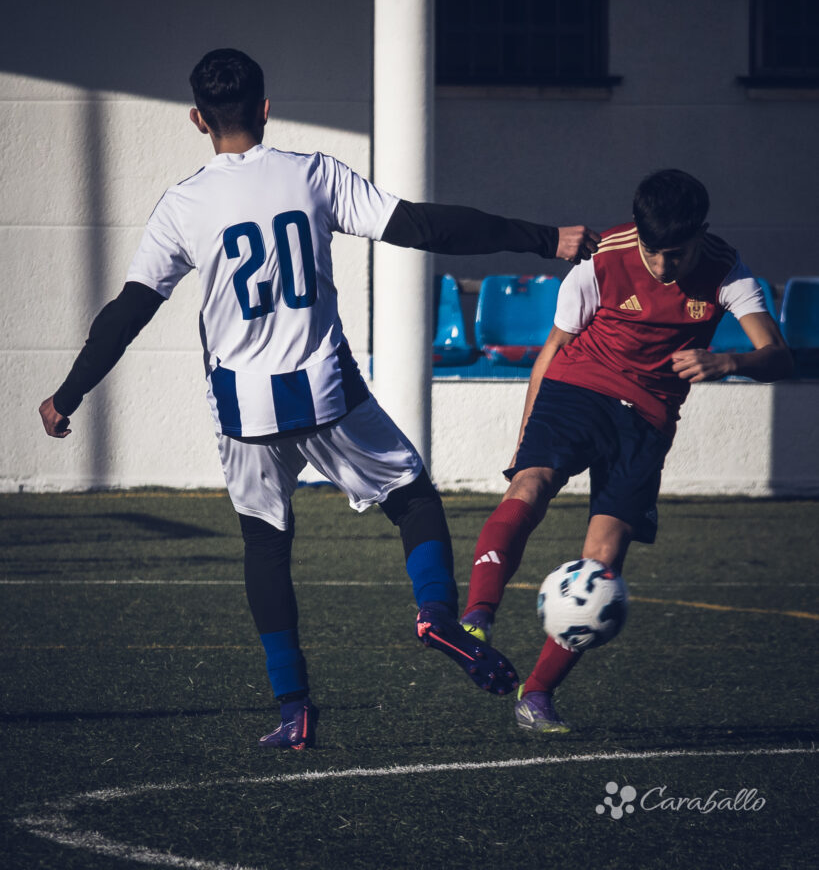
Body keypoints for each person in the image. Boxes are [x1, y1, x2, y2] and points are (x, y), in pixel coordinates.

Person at [39, 47, 600, 751]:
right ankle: (434, 615)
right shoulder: (312, 174)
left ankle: (294, 710)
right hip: (324, 391)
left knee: (265, 544)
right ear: (265, 108)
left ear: (197, 120)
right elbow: (425, 227)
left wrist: (68, 394)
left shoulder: (183, 204)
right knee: (412, 500)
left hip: (243, 408)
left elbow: (129, 310)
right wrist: (544, 240)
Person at [460, 168, 794, 735]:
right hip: (578, 386)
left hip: (648, 419)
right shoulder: (600, 260)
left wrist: (729, 361)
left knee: (605, 558)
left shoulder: (727, 270)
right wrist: (524, 441)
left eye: (676, 254)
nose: (663, 265)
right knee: (530, 485)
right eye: (652, 251)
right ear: (637, 231)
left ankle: (536, 694)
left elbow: (779, 356)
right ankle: (476, 617)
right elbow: (554, 348)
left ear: (700, 234)